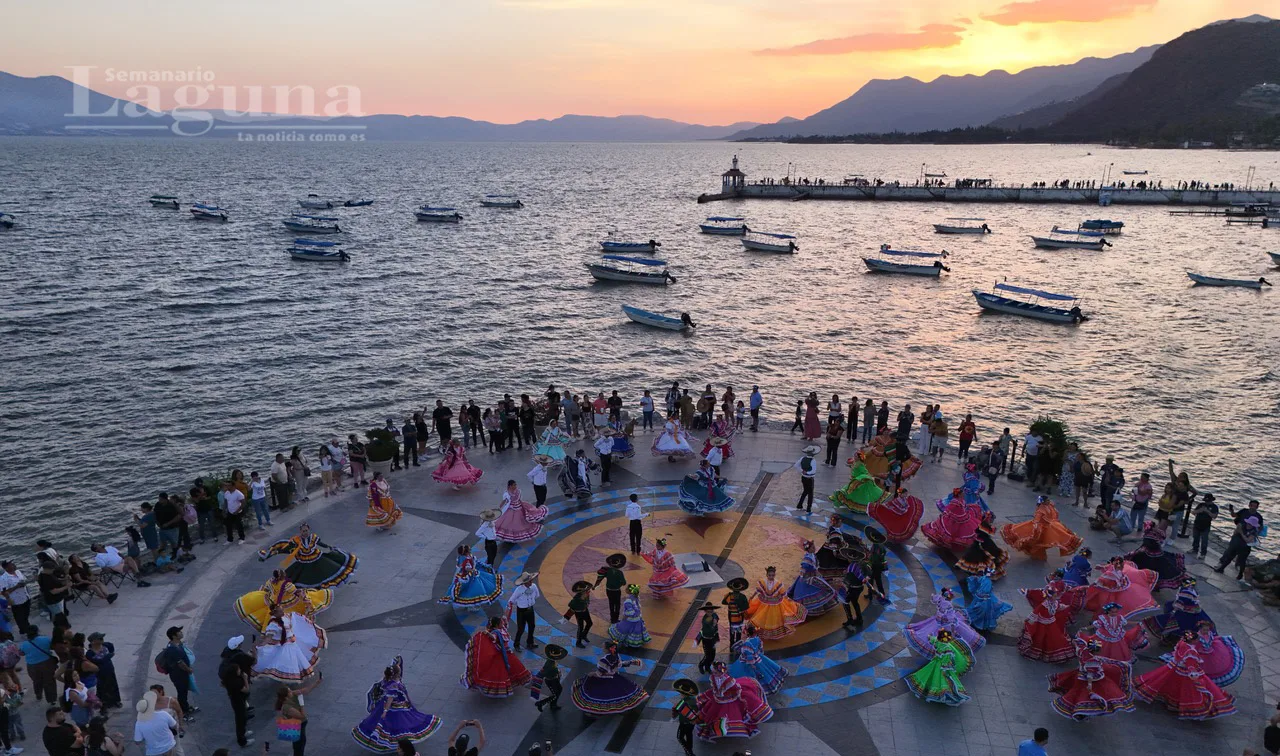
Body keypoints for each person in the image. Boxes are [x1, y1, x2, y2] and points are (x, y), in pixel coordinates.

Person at [1134, 632, 1236, 720]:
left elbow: (1178, 654)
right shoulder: (1191, 651)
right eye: (1196, 639)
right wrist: (1195, 675)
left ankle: (1170, 702)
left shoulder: (1182, 643)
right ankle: (1181, 705)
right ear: (1193, 640)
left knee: (1166, 683)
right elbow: (1190, 665)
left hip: (1174, 667)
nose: (1198, 641)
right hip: (1184, 672)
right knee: (1188, 691)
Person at [351, 656, 442, 751]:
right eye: (399, 670)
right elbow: (390, 699)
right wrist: (385, 711)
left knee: (393, 724)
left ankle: (395, 743)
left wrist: (397, 662)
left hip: (395, 704)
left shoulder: (389, 680)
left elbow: (396, 668)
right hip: (395, 707)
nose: (400, 670)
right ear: (396, 674)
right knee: (400, 723)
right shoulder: (394, 685)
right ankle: (397, 743)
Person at [1047, 634, 1136, 720]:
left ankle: (1079, 711)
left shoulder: (1083, 652)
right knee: (1085, 696)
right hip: (1088, 680)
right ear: (1095, 650)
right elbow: (1090, 674)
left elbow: (1078, 645)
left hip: (1079, 675)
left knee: (1077, 694)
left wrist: (1074, 641)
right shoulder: (1093, 660)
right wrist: (1089, 685)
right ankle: (1080, 712)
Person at [258, 523, 359, 588]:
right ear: (300, 531)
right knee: (303, 577)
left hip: (317, 558)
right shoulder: (296, 541)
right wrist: (269, 554)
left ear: (309, 530)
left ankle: (322, 587)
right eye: (303, 531)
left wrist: (329, 547)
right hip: (303, 562)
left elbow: (320, 543)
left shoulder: (313, 537)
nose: (305, 532)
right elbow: (283, 548)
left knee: (327, 570)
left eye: (306, 530)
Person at [694, 662, 772, 740]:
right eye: (713, 672)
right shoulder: (714, 678)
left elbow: (736, 689)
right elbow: (715, 688)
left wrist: (736, 695)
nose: (714, 673)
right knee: (712, 713)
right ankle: (718, 727)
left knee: (730, 715)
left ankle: (726, 728)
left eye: (715, 672)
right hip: (718, 699)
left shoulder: (728, 681)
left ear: (721, 672)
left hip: (729, 699)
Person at [570, 640, 649, 715]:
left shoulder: (603, 660)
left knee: (598, 695)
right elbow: (620, 664)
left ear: (607, 649)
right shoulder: (616, 655)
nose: (602, 648)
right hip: (614, 676)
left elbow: (600, 674)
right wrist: (631, 662)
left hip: (604, 679)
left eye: (603, 647)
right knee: (617, 693)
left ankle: (595, 711)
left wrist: (591, 674)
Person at [461, 616, 531, 697]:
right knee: (502, 673)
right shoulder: (495, 633)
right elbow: (493, 637)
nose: (503, 623)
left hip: (507, 653)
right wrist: (487, 634)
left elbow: (505, 621)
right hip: (502, 655)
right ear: (497, 625)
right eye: (501, 622)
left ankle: (511, 682)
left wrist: (506, 615)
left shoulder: (500, 629)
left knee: (512, 669)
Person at [1000, 496, 1083, 560]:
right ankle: (1037, 554)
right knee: (1038, 540)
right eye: (1047, 500)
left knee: (1058, 535)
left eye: (1048, 500)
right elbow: (1036, 521)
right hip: (1041, 528)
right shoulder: (1040, 510)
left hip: (1049, 526)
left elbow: (1052, 513)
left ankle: (1038, 554)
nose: (1049, 501)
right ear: (1043, 502)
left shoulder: (1049, 505)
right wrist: (1036, 530)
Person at [905, 630, 973, 707]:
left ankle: (930, 690)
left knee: (928, 674)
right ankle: (944, 694)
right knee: (943, 679)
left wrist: (929, 636)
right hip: (942, 666)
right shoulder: (947, 648)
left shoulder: (937, 641)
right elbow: (946, 659)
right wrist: (946, 668)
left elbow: (932, 639)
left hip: (935, 662)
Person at [746, 566, 806, 640]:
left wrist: (788, 600)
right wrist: (752, 597)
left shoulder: (778, 583)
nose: (771, 577)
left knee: (774, 617)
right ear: (766, 575)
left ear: (775, 575)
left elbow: (783, 594)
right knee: (763, 616)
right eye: (769, 575)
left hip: (775, 604)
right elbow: (758, 591)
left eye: (773, 575)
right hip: (765, 603)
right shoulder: (762, 582)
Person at [218, 635, 255, 749]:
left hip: (235, 696)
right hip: (238, 697)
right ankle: (242, 740)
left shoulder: (227, 660)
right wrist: (244, 678)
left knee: (242, 714)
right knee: (240, 717)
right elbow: (246, 689)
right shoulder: (237, 682)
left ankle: (243, 732)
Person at [728, 624, 786, 695]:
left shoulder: (747, 643)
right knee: (764, 673)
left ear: (748, 632)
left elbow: (748, 656)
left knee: (747, 677)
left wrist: (751, 663)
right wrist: (758, 656)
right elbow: (761, 650)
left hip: (747, 662)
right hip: (758, 658)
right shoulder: (758, 639)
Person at [438, 544, 502, 607]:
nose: (470, 550)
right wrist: (473, 570)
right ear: (466, 552)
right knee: (471, 590)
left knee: (473, 589)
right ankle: (471, 605)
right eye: (469, 549)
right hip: (468, 577)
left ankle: (471, 605)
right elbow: (466, 568)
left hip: (470, 575)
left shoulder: (466, 557)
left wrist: (483, 566)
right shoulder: (466, 560)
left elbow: (472, 563)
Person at [1215, 500, 1264, 581]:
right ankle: (1222, 565)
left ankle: (1240, 572)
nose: (1253, 507)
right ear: (1249, 505)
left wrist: (1255, 533)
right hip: (1237, 537)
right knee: (1230, 552)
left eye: (1255, 506)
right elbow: (1234, 516)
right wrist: (1231, 511)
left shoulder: (1258, 518)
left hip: (1246, 542)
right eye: (1252, 505)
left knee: (1242, 559)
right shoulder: (1244, 512)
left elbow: (1260, 528)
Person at [156, 626, 198, 720]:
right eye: (179, 632)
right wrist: (188, 670)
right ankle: (183, 713)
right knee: (182, 693)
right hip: (178, 675)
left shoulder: (176, 644)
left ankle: (186, 707)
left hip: (181, 674)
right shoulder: (173, 649)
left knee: (184, 691)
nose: (181, 633)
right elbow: (180, 663)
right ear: (174, 635)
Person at [275, 674, 322, 756]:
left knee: (298, 745)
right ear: (286, 696)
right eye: (289, 691)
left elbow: (305, 691)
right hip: (297, 727)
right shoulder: (287, 707)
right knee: (299, 746)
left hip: (300, 727)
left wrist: (317, 683)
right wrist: (301, 703)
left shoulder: (291, 695)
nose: (291, 691)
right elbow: (302, 716)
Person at [132, 692, 177, 756]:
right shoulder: (163, 714)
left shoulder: (139, 723)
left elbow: (137, 741)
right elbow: (174, 726)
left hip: (154, 752)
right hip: (169, 747)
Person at [20, 627, 56, 705]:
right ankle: (51, 699)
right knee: (49, 681)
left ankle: (38, 695)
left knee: (36, 681)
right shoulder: (46, 639)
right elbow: (52, 647)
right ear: (37, 631)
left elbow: (21, 653)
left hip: (32, 666)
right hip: (47, 664)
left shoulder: (24, 644)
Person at [506, 572, 541, 650]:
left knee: (532, 626)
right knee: (521, 628)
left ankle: (530, 642)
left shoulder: (534, 586)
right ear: (525, 582)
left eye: (531, 580)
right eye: (529, 581)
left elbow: (537, 595)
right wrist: (520, 603)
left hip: (530, 609)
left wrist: (530, 601)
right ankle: (516, 644)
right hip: (521, 611)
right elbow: (511, 600)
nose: (531, 582)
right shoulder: (519, 590)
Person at [85, 633, 120, 710]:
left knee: (113, 684)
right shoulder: (90, 653)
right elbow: (97, 661)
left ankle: (115, 700)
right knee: (103, 688)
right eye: (99, 639)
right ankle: (104, 703)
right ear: (93, 642)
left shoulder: (106, 646)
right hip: (100, 673)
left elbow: (111, 648)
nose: (102, 640)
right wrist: (108, 657)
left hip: (110, 669)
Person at [533, 644, 568, 713]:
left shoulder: (551, 661)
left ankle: (553, 704)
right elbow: (543, 673)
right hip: (551, 681)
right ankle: (542, 703)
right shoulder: (549, 665)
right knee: (555, 694)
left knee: (559, 690)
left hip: (554, 679)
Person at [594, 553, 628, 624]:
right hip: (616, 591)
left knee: (611, 604)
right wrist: (619, 584)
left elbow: (600, 577)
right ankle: (616, 619)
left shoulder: (607, 570)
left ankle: (612, 619)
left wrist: (595, 586)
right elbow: (624, 582)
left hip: (608, 590)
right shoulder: (619, 572)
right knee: (617, 605)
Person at [670, 679, 701, 756]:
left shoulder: (682, 703)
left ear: (683, 694)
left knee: (679, 737)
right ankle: (689, 751)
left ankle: (689, 752)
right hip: (692, 723)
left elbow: (675, 715)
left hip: (684, 723)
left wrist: (675, 709)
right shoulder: (694, 700)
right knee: (689, 735)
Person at [0, 563, 32, 636]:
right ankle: (23, 632)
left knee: (26, 616)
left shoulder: (18, 572)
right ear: (6, 568)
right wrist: (16, 586)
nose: (14, 565)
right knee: (20, 618)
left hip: (26, 597)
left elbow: (25, 580)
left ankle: (28, 629)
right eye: (11, 565)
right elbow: (4, 592)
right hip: (16, 602)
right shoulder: (3, 578)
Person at [562, 581, 594, 648]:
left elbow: (590, 586)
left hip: (585, 611)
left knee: (590, 623)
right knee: (581, 627)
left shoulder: (586, 592)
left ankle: (584, 635)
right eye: (584, 590)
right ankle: (578, 642)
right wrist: (566, 617)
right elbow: (571, 606)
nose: (586, 592)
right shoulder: (576, 599)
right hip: (579, 613)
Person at [1190, 493, 1219, 559]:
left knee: (1204, 540)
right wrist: (1199, 511)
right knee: (1196, 537)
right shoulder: (1201, 505)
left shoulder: (1214, 507)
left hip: (1206, 526)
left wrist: (1207, 511)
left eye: (1208, 501)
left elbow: (1214, 516)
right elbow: (1193, 512)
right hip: (1197, 523)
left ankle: (1203, 553)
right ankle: (1194, 549)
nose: (1207, 502)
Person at [694, 603, 719, 674]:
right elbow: (710, 622)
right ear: (705, 611)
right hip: (706, 640)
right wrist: (714, 622)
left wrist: (715, 619)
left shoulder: (714, 615)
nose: (710, 613)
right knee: (708, 655)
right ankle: (701, 665)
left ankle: (707, 667)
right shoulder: (705, 619)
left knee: (713, 655)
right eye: (708, 611)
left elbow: (715, 616)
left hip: (713, 639)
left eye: (711, 611)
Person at [793, 445, 819, 513]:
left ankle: (799, 505)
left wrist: (802, 471)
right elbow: (813, 470)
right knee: (810, 494)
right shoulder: (813, 460)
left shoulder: (802, 458)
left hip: (803, 477)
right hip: (810, 479)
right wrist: (807, 472)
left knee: (805, 491)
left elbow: (796, 465)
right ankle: (808, 508)